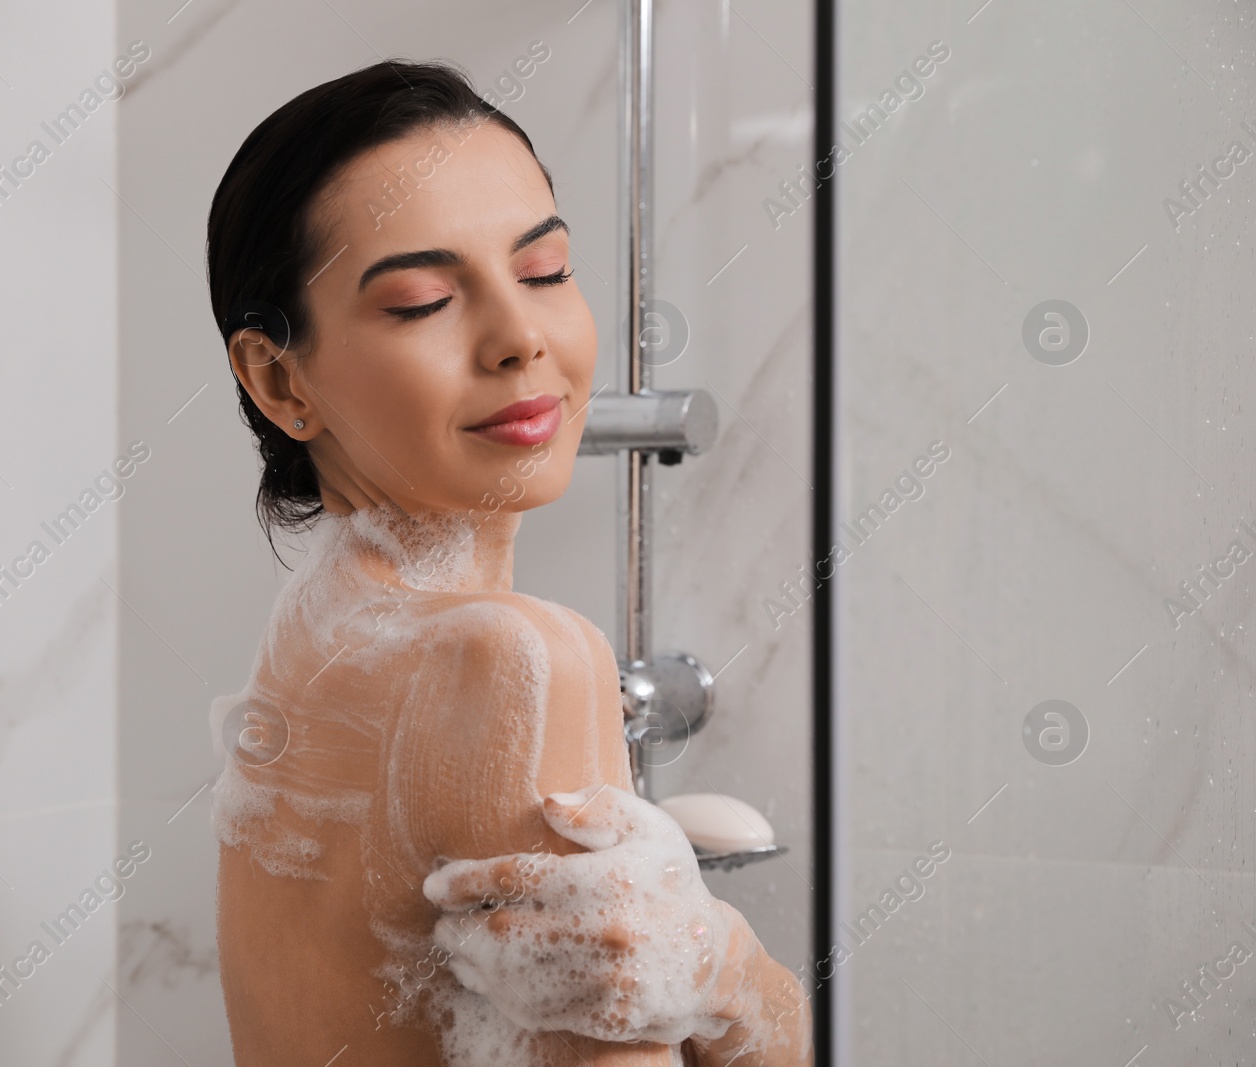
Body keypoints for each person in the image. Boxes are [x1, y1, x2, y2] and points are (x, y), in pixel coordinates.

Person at [204, 58, 811, 1067]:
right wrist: (730, 976)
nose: (519, 337)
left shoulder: (311, 643)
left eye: (543, 271)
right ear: (278, 379)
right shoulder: (509, 659)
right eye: (421, 301)